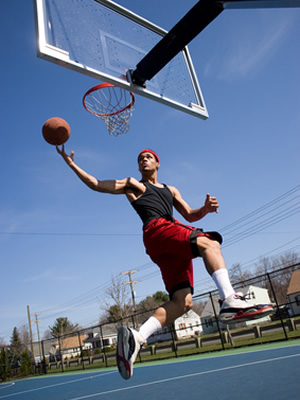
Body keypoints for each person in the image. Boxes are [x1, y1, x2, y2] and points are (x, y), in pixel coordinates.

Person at [56, 146, 273, 379]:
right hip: (157, 229)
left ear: (158, 163)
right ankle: (230, 299)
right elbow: (97, 184)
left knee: (183, 302)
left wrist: (206, 209)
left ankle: (138, 337)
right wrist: (71, 164)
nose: (144, 160)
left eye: (148, 157)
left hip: (166, 244)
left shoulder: (171, 189)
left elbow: (189, 214)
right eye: (140, 159)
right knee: (210, 244)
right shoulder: (134, 185)